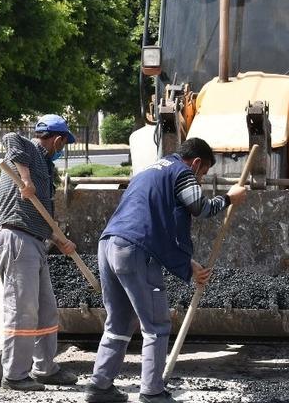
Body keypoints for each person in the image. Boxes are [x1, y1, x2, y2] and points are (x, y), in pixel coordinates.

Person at [84, 138, 248, 403]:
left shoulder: (151, 171)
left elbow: (160, 225)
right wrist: (230, 198)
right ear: (196, 163)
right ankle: (151, 391)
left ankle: (99, 386)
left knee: (119, 321)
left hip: (109, 246)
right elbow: (200, 208)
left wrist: (187, 264)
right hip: (136, 250)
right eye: (203, 173)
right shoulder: (182, 172)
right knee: (157, 325)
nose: (201, 179)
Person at [0, 114, 79, 391]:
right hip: (16, 239)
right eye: (63, 143)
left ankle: (45, 368)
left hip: (35, 240)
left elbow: (40, 217)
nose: (62, 148)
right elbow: (10, 138)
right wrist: (25, 179)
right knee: (22, 311)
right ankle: (15, 375)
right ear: (58, 139)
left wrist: (59, 239)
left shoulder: (45, 168)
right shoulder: (29, 151)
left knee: (45, 310)